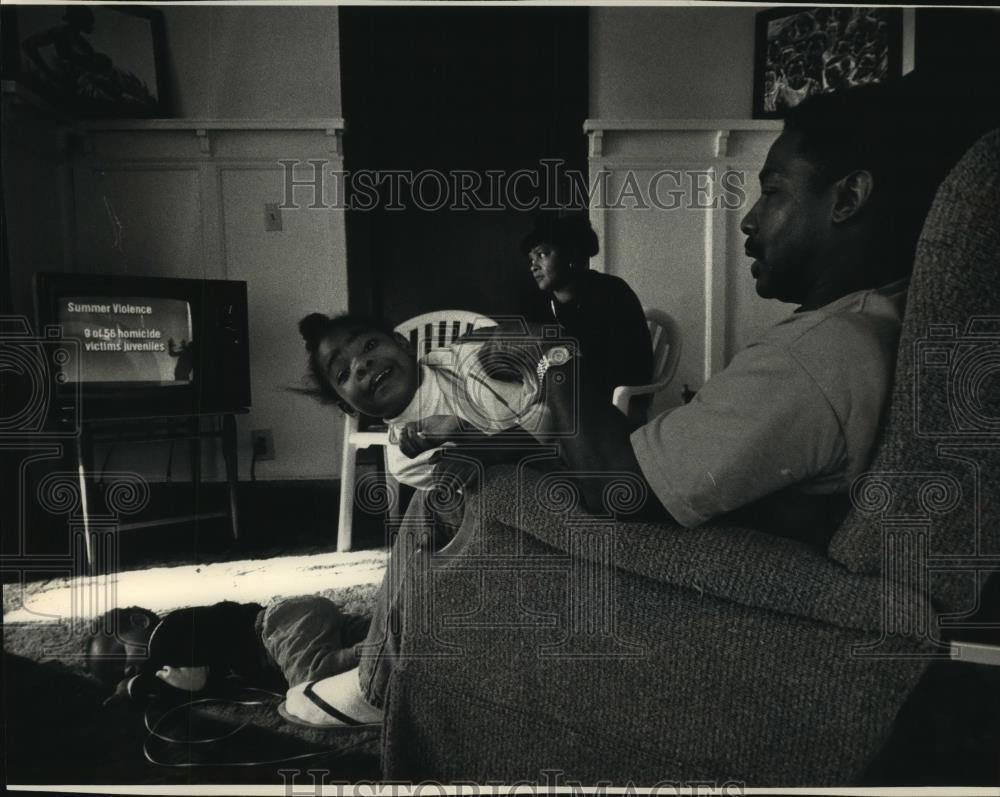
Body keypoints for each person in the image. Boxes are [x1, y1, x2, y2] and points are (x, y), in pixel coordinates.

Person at [297, 312, 558, 493]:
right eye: (343, 373)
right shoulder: (403, 460)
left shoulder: (467, 359)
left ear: (403, 344)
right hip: (545, 477)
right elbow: (508, 478)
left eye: (370, 345)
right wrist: (462, 432)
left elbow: (556, 412)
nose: (361, 365)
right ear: (347, 407)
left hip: (574, 432)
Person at [521, 212, 652, 419]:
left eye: (542, 254)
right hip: (556, 401)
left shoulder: (612, 293)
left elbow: (626, 370)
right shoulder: (539, 304)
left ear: (570, 253)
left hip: (605, 408)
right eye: (531, 258)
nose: (533, 265)